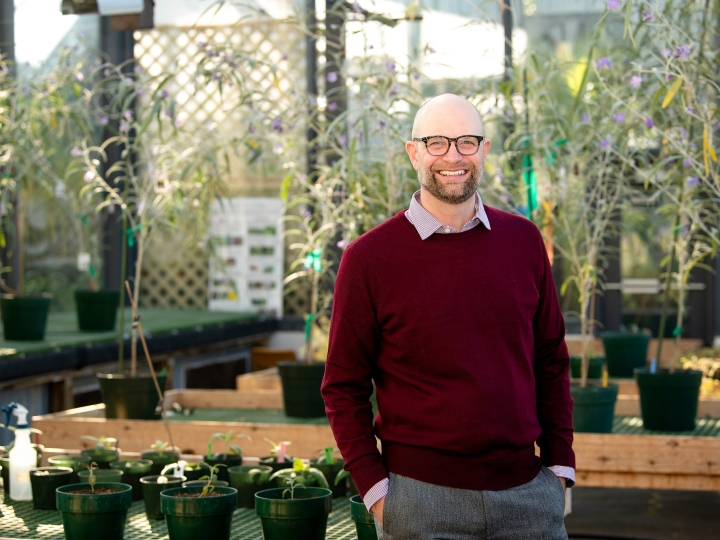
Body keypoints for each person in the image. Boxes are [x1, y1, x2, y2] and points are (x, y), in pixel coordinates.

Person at [321, 94, 574, 540]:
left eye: (467, 142)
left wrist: (559, 466)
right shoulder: (369, 258)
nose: (453, 156)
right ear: (413, 152)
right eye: (436, 142)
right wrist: (377, 493)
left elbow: (550, 356)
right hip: (419, 504)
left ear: (485, 150)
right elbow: (343, 385)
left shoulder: (524, 242)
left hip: (529, 499)